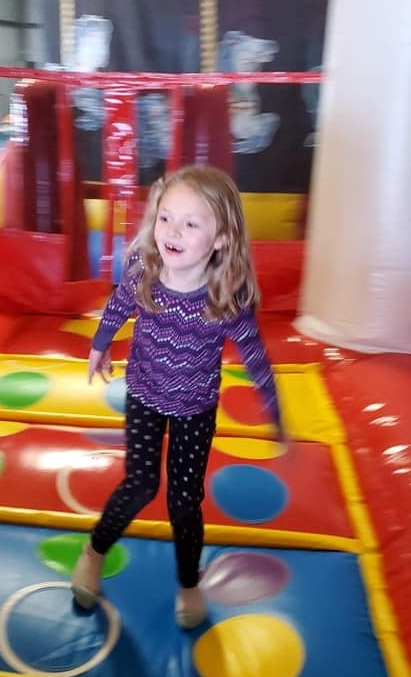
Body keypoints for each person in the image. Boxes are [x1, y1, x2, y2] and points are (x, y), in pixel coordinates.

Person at [71, 164, 286, 629]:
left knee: (184, 502)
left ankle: (189, 583)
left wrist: (275, 410)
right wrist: (99, 344)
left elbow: (255, 357)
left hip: (195, 408)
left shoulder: (227, 297)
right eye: (166, 217)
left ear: (221, 239)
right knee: (141, 484)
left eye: (191, 223)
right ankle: (93, 551)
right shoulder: (144, 270)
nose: (173, 231)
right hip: (145, 393)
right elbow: (118, 305)